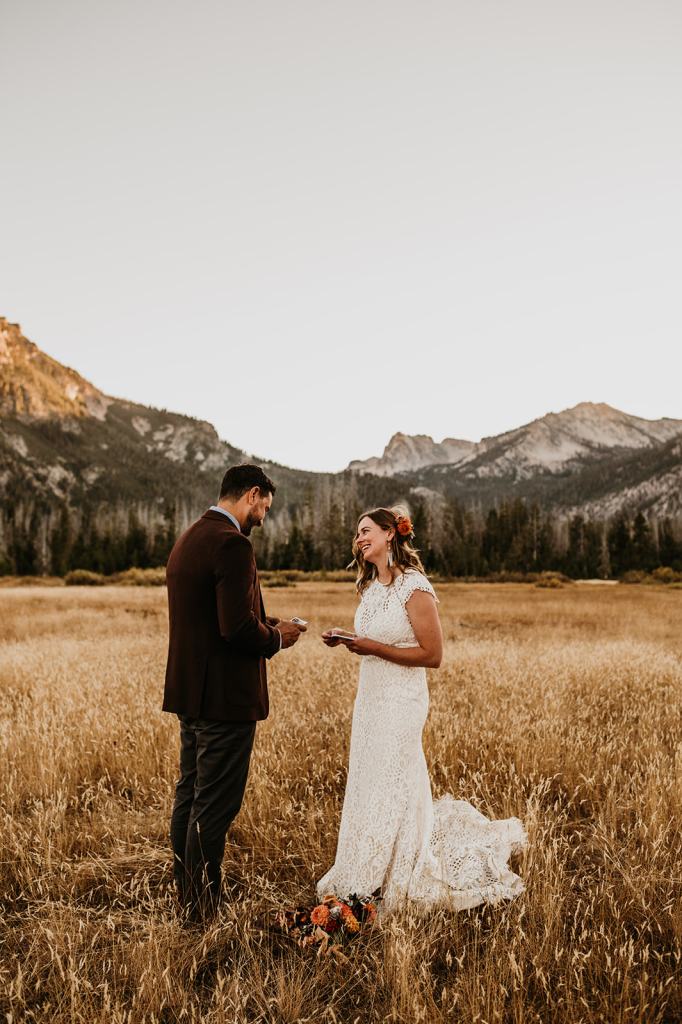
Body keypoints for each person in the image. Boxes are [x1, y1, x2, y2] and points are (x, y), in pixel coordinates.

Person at [319, 506, 527, 912]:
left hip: (402, 701)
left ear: (389, 535)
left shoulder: (414, 586)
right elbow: (374, 637)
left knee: (395, 778)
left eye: (366, 531)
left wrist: (370, 647)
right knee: (370, 778)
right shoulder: (371, 587)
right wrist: (347, 638)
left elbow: (433, 654)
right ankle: (365, 868)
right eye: (356, 534)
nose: (359, 539)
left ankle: (402, 867)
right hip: (371, 698)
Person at [163, 463, 305, 922]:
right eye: (265, 504)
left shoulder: (189, 539)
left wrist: (268, 623)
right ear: (252, 494)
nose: (264, 514)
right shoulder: (232, 544)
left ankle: (187, 897)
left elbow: (215, 618)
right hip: (225, 700)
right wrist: (278, 637)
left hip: (192, 694)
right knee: (215, 805)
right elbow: (237, 628)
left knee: (190, 795)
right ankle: (202, 911)